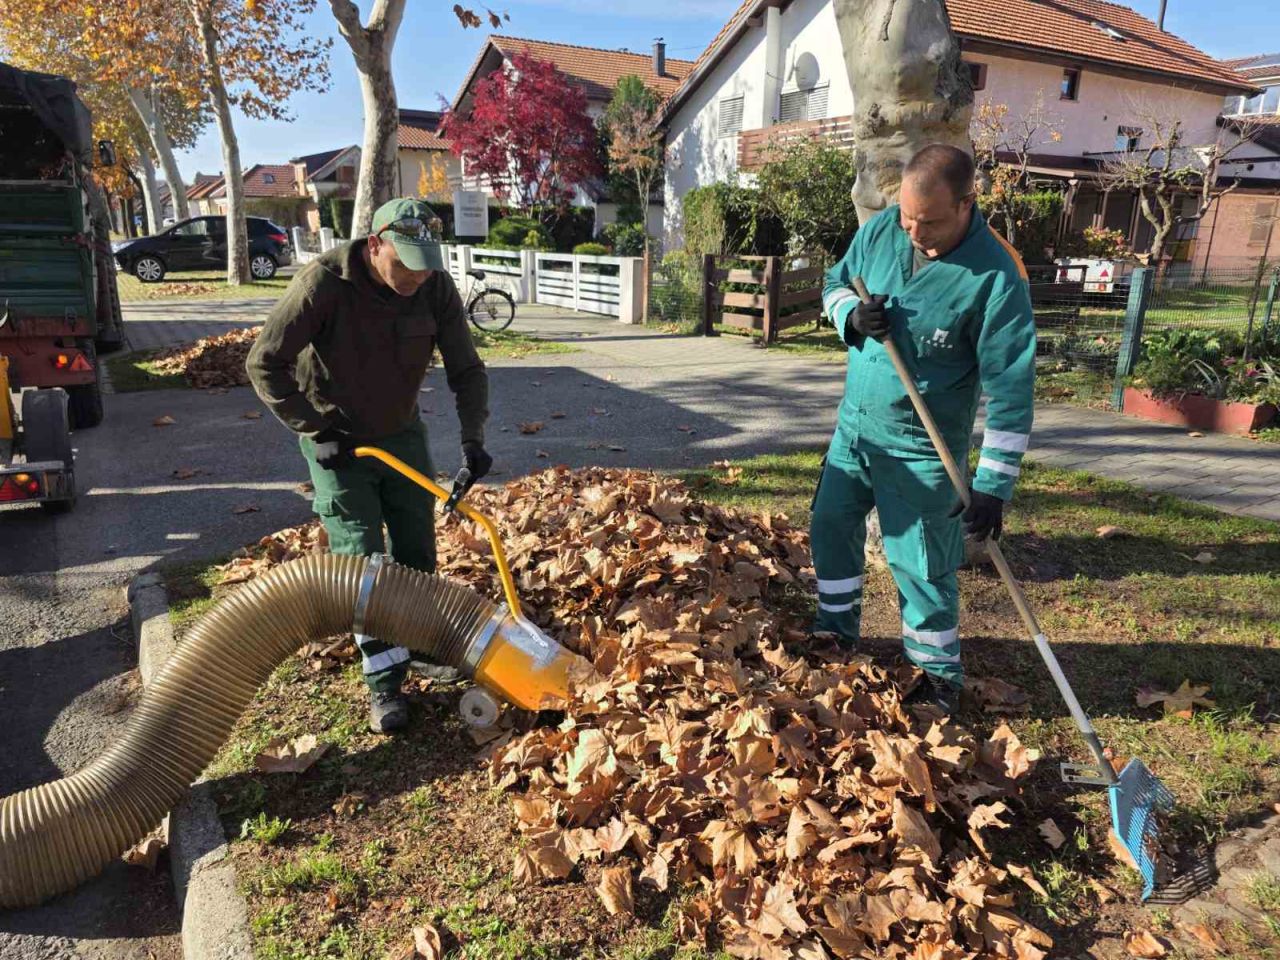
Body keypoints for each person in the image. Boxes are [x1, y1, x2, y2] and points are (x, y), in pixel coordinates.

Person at [246, 198, 491, 733]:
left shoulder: (435, 287)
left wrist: (473, 441)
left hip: (401, 435)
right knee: (363, 563)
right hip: (338, 441)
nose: (414, 277)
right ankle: (384, 685)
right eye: (404, 263)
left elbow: (467, 371)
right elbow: (264, 363)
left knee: (416, 551)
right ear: (376, 244)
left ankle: (421, 646)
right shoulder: (324, 283)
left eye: (424, 265)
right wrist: (314, 428)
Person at [813, 144, 1035, 714]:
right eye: (908, 216)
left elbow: (1011, 389)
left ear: (967, 203)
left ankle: (936, 675)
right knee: (831, 530)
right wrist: (851, 317)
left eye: (929, 221)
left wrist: (993, 484)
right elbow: (836, 282)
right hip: (854, 428)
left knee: (920, 562)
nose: (914, 231)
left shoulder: (997, 276)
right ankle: (834, 637)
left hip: (922, 447)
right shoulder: (886, 228)